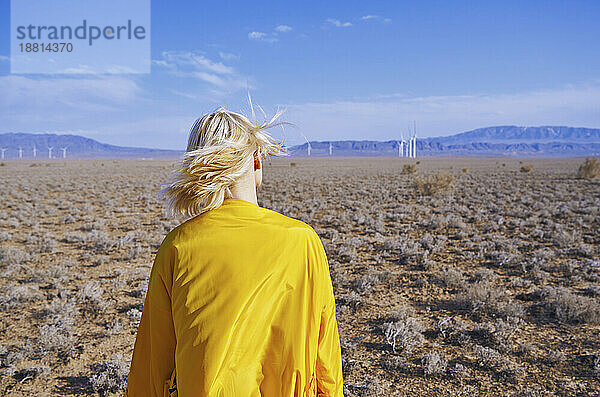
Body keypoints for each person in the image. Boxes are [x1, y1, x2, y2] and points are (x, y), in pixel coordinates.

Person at [125, 107, 343, 396]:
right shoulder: (302, 241)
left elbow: (153, 363)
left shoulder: (178, 246)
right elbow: (324, 353)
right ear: (256, 161)